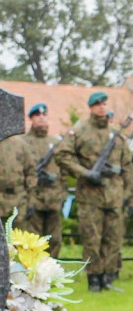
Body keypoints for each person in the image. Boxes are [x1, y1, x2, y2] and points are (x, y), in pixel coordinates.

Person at [55, 92, 133, 292]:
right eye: (97, 104)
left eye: (104, 104)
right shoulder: (80, 131)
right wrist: (85, 173)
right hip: (90, 195)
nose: (101, 107)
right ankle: (94, 279)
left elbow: (128, 167)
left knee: (113, 237)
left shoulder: (116, 135)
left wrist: (130, 196)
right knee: (92, 238)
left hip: (114, 194)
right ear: (90, 107)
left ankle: (108, 278)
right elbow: (62, 156)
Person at [23, 103, 67, 256]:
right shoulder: (23, 142)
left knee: (55, 240)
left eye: (44, 115)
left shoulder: (56, 142)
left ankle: (51, 273)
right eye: (37, 116)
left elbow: (63, 170)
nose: (41, 118)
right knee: (33, 240)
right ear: (31, 119)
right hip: (33, 198)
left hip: (54, 198)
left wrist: (63, 195)